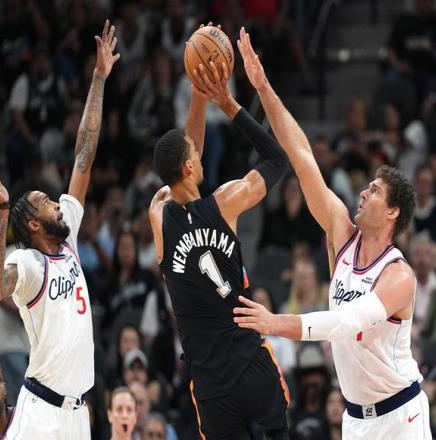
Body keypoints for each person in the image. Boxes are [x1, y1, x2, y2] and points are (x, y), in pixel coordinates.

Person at [233, 27, 432, 439]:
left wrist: (275, 322)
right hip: (355, 419)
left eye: (374, 191)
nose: (363, 193)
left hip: (402, 417)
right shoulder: (341, 233)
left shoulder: (399, 276)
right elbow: (302, 156)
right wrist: (264, 87)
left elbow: (347, 322)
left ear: (393, 211)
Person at [0, 20, 119, 439]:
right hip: (40, 411)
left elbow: (84, 154)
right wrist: (2, 212)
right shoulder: (28, 263)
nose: (59, 202)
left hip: (77, 415)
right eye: (47, 202)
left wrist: (98, 78)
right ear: (33, 223)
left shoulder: (68, 236)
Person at [148, 44, 290, 439]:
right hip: (249, 363)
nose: (199, 153)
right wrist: (226, 104)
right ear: (189, 166)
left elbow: (184, 158)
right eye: (195, 155)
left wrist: (196, 95)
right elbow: (277, 159)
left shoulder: (158, 215)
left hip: (210, 386)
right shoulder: (226, 203)